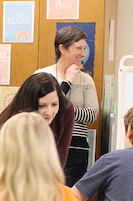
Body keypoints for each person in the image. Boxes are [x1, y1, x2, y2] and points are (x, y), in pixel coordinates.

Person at [0, 72, 74, 201]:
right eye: (42, 105)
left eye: (54, 104)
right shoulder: (17, 119)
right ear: (31, 104)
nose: (49, 112)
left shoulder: (66, 111)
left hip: (25, 170)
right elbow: (14, 169)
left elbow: (60, 155)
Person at [35, 26, 99, 187]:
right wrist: (67, 83)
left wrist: (61, 111)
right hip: (45, 144)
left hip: (76, 148)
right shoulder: (42, 76)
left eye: (84, 48)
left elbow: (92, 114)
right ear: (62, 48)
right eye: (79, 48)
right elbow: (37, 110)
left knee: (69, 198)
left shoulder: (86, 80)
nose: (83, 54)